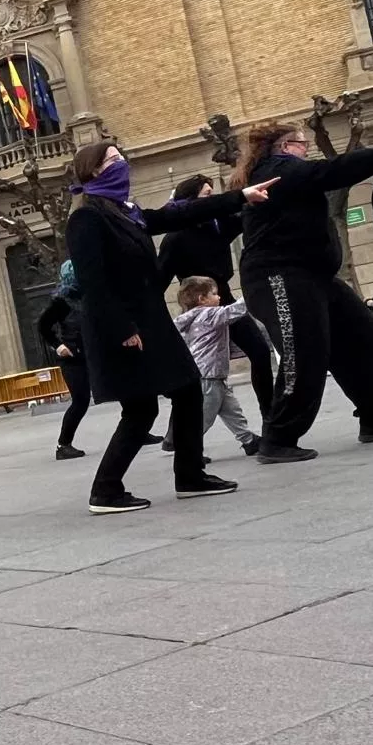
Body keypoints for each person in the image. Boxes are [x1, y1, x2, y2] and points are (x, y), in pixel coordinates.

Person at [65, 142, 275, 514]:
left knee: (187, 388)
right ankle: (105, 490)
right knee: (141, 409)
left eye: (120, 158)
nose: (122, 164)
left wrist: (239, 196)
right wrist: (122, 328)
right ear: (93, 171)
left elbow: (180, 213)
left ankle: (190, 477)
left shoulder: (126, 213)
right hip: (123, 327)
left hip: (150, 322)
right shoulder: (87, 218)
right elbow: (92, 282)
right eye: (113, 161)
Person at [233, 124, 373, 462]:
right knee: (303, 351)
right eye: (302, 143)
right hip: (276, 276)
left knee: (363, 337)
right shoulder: (275, 170)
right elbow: (335, 170)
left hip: (316, 275)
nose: (307, 148)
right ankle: (277, 440)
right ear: (285, 146)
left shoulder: (289, 170)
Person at [157, 174, 276, 420]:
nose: (212, 200)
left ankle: (270, 417)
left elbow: (244, 217)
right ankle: (178, 434)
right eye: (206, 195)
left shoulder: (218, 224)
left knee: (260, 352)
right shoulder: (175, 238)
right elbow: (159, 280)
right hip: (198, 310)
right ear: (190, 201)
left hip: (224, 300)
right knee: (197, 374)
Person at [174, 277, 262, 457]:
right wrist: (254, 291)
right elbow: (235, 311)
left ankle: (248, 440)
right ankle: (188, 451)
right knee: (205, 416)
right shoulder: (208, 314)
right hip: (208, 376)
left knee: (232, 410)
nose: (219, 297)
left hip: (214, 375)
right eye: (213, 294)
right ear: (201, 299)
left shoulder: (193, 318)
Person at [36, 260, 90, 460]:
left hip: (92, 353)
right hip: (73, 358)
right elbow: (43, 326)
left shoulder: (89, 295)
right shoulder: (61, 301)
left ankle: (138, 428)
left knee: (124, 387)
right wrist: (59, 346)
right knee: (80, 400)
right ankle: (63, 445)